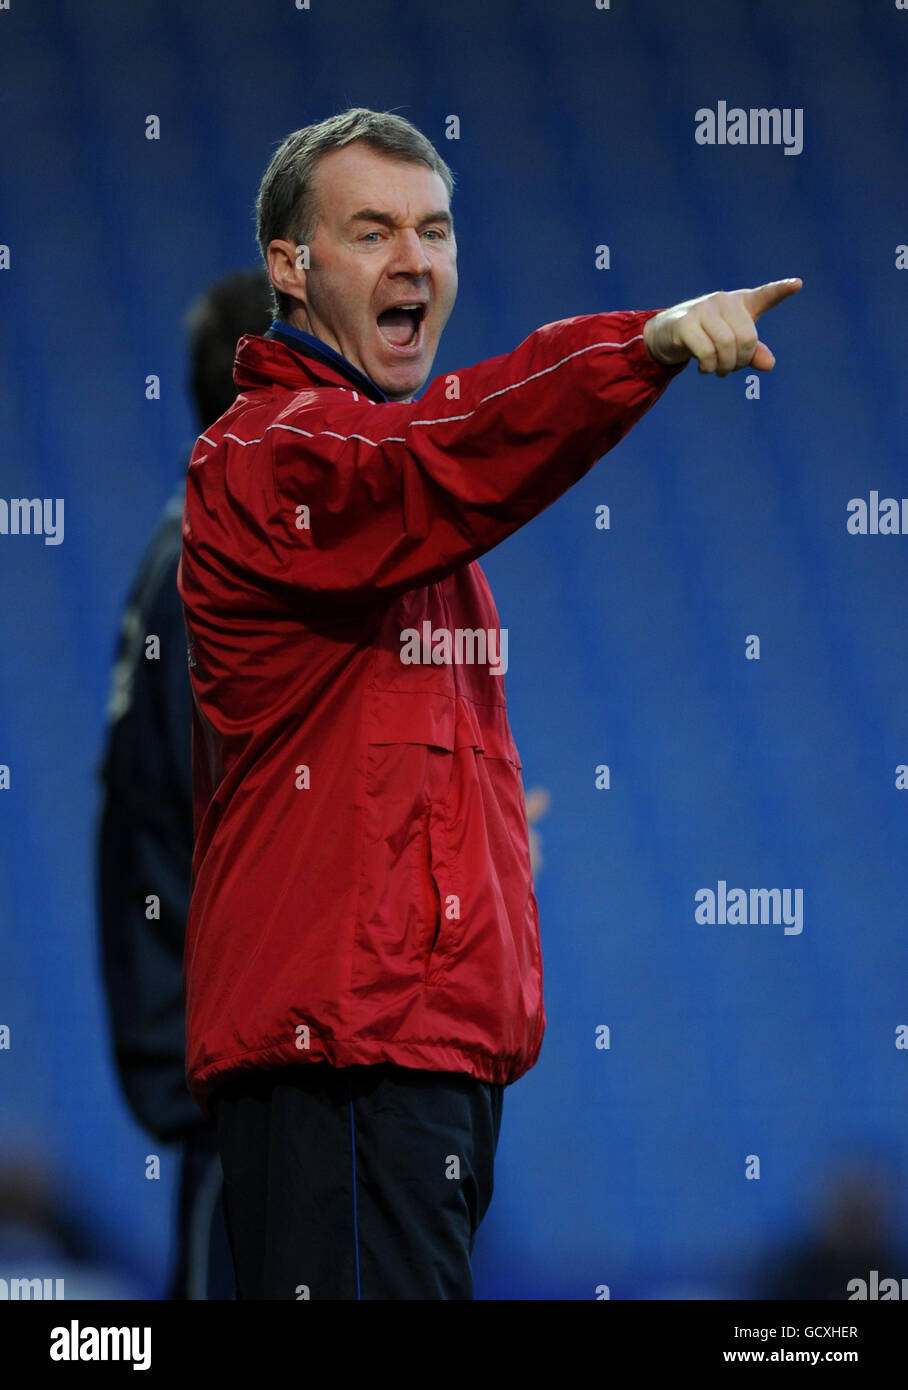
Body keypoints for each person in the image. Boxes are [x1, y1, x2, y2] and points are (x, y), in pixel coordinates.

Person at [178, 106, 802, 1300]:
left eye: (435, 230)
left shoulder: (374, 496)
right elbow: (447, 457)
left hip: (413, 1051)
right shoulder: (275, 454)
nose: (414, 259)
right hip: (341, 1058)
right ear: (289, 266)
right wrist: (646, 343)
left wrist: (470, 834)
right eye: (371, 232)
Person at [97, 269, 273, 1300]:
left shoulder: (183, 550)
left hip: (228, 1069)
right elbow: (242, 828)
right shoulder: (218, 574)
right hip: (247, 1081)